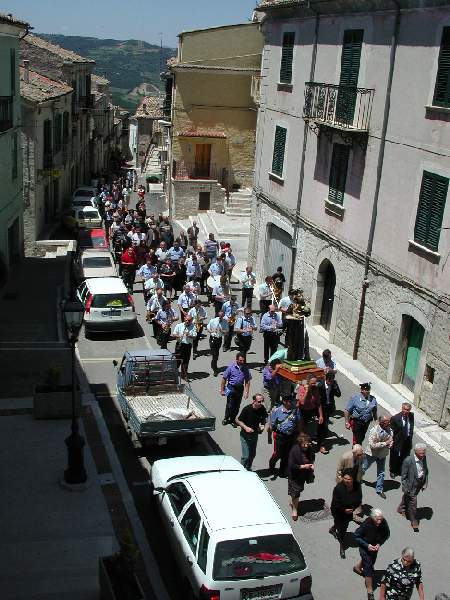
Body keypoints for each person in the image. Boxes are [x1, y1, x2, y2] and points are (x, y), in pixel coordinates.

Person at [353, 508, 390, 600]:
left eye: (381, 519)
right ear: (372, 518)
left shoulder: (383, 523)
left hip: (374, 548)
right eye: (377, 519)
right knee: (368, 567)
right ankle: (370, 590)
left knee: (370, 562)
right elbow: (356, 536)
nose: (379, 521)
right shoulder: (366, 525)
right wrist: (367, 545)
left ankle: (357, 568)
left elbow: (386, 534)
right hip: (365, 548)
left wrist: (379, 543)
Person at [330, 469, 363, 558]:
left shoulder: (357, 486)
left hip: (349, 512)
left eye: (349, 479)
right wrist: (344, 510)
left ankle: (333, 529)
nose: (346, 481)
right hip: (338, 512)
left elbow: (359, 498)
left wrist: (353, 508)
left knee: (342, 524)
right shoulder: (338, 488)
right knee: (342, 529)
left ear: (353, 479)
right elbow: (335, 504)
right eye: (345, 478)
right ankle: (342, 545)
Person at [398, 443, 429, 532]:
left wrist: (425, 482)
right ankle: (413, 520)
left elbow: (425, 470)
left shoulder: (424, 457)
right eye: (421, 454)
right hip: (410, 485)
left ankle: (401, 508)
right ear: (415, 452)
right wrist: (405, 487)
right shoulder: (408, 460)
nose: (422, 456)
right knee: (413, 504)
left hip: (419, 483)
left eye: (424, 453)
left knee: (407, 496)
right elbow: (403, 476)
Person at [269, 396, 301, 478]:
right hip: (280, 435)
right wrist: (270, 436)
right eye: (289, 401)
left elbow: (298, 422)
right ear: (284, 402)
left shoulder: (295, 410)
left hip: (290, 436)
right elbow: (272, 424)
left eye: (292, 401)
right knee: (278, 454)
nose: (291, 403)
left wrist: (299, 434)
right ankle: (271, 466)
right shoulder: (277, 411)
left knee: (287, 455)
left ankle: (282, 471)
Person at [362, 415, 393, 499]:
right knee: (364, 468)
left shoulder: (389, 429)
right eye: (387, 422)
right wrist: (386, 443)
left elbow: (391, 439)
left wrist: (390, 444)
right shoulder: (374, 431)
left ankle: (379, 489)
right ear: (382, 423)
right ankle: (356, 478)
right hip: (372, 454)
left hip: (382, 454)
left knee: (381, 472)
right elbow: (372, 445)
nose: (389, 423)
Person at [235, 393, 268, 470]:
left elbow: (264, 418)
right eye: (259, 401)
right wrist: (245, 427)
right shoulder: (247, 409)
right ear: (254, 401)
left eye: (262, 401)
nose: (261, 403)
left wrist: (262, 425)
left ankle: (248, 469)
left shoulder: (262, 408)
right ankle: (241, 471)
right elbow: (238, 420)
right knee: (245, 456)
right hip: (245, 435)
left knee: (252, 455)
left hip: (254, 435)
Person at [287, 432, 315, 521]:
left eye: (307, 444)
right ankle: (295, 510)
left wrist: (311, 464)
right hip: (295, 475)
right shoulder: (294, 450)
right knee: (296, 492)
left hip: (304, 475)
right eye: (304, 445)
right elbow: (291, 465)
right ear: (299, 444)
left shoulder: (310, 448)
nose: (306, 446)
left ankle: (293, 502)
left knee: (298, 491)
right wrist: (303, 466)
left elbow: (312, 458)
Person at [220, 353, 252, 426]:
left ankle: (233, 419)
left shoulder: (245, 369)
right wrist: (222, 390)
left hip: (240, 388)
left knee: (237, 405)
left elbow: (247, 381)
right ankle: (226, 418)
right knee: (230, 404)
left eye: (243, 360)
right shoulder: (231, 367)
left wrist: (246, 392)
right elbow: (224, 378)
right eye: (240, 360)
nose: (242, 362)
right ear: (236, 359)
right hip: (231, 387)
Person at [317, 372, 341, 454]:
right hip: (320, 408)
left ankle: (320, 440)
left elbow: (339, 394)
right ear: (326, 379)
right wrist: (320, 414)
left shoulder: (333, 385)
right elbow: (318, 401)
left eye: (332, 381)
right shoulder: (320, 386)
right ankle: (321, 445)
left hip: (328, 408)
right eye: (329, 381)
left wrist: (335, 385)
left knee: (323, 426)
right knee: (322, 426)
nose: (330, 382)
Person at [295, 376, 323, 446]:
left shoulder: (316, 389)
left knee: (307, 428)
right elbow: (302, 403)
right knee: (301, 428)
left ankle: (305, 441)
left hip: (310, 411)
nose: (314, 385)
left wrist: (321, 415)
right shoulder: (301, 388)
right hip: (301, 411)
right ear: (308, 382)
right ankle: (301, 443)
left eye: (315, 383)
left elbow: (318, 403)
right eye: (312, 383)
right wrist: (307, 392)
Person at [389, 402, 414, 478]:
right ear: (402, 408)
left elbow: (411, 428)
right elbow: (391, 431)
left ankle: (400, 469)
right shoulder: (395, 418)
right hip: (397, 441)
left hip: (407, 440)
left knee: (404, 456)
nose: (406, 411)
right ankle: (393, 470)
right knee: (394, 456)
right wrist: (391, 441)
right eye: (405, 409)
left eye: (408, 410)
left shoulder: (411, 416)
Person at [173, 315, 196, 379]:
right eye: (186, 320)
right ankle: (174, 372)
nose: (187, 322)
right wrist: (178, 336)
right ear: (184, 319)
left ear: (191, 321)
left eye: (189, 321)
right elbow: (174, 334)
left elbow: (194, 337)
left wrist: (189, 335)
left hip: (187, 346)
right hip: (180, 345)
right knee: (177, 360)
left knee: (186, 361)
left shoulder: (193, 326)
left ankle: (184, 374)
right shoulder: (179, 325)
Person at [207, 310, 229, 376]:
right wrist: (211, 331)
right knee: (215, 354)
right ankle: (215, 369)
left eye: (222, 316)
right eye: (219, 316)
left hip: (219, 339)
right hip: (212, 339)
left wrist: (222, 330)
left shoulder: (225, 322)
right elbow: (208, 328)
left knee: (216, 353)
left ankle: (213, 363)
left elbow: (227, 331)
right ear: (218, 315)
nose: (220, 317)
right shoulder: (213, 320)